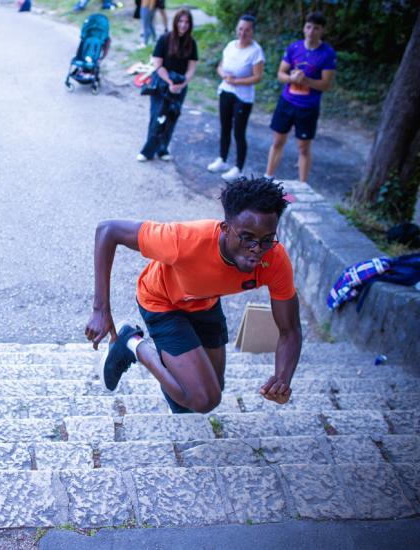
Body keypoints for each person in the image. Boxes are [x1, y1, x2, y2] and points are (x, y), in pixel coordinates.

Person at [85, 177, 302, 414]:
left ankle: (176, 373)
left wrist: (282, 379)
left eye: (266, 239)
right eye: (247, 237)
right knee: (203, 399)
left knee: (212, 389)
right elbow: (108, 230)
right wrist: (100, 310)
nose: (257, 249)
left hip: (205, 303)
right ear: (226, 229)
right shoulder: (183, 240)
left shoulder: (275, 259)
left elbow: (289, 330)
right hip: (162, 302)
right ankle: (132, 343)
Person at [264, 12, 336, 185]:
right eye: (308, 27)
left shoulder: (327, 53)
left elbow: (326, 84)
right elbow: (281, 74)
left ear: (322, 31)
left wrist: (306, 81)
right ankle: (267, 178)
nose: (311, 32)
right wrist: (291, 78)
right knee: (277, 141)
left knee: (303, 148)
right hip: (287, 102)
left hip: (308, 107)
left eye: (316, 28)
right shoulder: (294, 48)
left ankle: (302, 186)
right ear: (304, 28)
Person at [206, 14, 265, 181]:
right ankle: (222, 159)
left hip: (243, 97)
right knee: (225, 127)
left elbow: (258, 77)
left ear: (253, 31)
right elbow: (220, 67)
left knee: (239, 131)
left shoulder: (256, 51)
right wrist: (224, 75)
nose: (243, 33)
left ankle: (238, 167)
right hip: (226, 91)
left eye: (247, 30)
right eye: (240, 29)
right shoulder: (230, 46)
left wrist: (237, 81)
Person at [137, 8, 197, 162]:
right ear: (175, 22)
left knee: (171, 116)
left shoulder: (192, 43)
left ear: (190, 25)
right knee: (157, 116)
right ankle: (147, 151)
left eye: (186, 22)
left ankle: (163, 149)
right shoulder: (165, 39)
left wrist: (181, 84)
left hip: (180, 85)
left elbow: (191, 68)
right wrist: (170, 82)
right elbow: (158, 65)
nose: (183, 25)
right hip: (162, 83)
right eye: (181, 21)